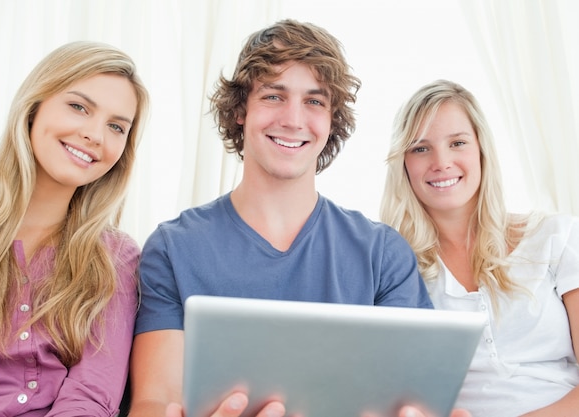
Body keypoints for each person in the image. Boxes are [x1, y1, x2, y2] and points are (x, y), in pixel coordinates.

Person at [128, 20, 469, 417]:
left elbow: (416, 398)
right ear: (241, 110)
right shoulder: (173, 248)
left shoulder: (382, 254)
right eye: (274, 96)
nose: (293, 119)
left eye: (314, 101)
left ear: (331, 120)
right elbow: (153, 401)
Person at [0, 41, 149, 416]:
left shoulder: (117, 259)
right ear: (34, 108)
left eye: (116, 127)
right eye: (79, 107)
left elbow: (91, 394)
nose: (95, 135)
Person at [380, 79, 579, 417]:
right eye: (420, 148)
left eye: (457, 143)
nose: (441, 162)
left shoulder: (557, 237)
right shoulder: (394, 269)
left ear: (481, 150)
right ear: (404, 164)